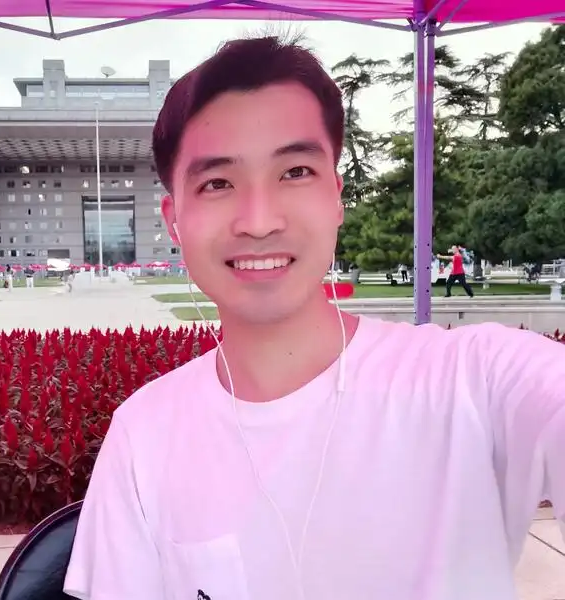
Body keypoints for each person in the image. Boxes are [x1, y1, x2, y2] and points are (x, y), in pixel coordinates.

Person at [64, 36, 564, 600]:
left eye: (295, 171)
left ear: (336, 196)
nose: (259, 221)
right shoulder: (144, 436)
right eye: (217, 183)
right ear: (174, 219)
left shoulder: (472, 383)